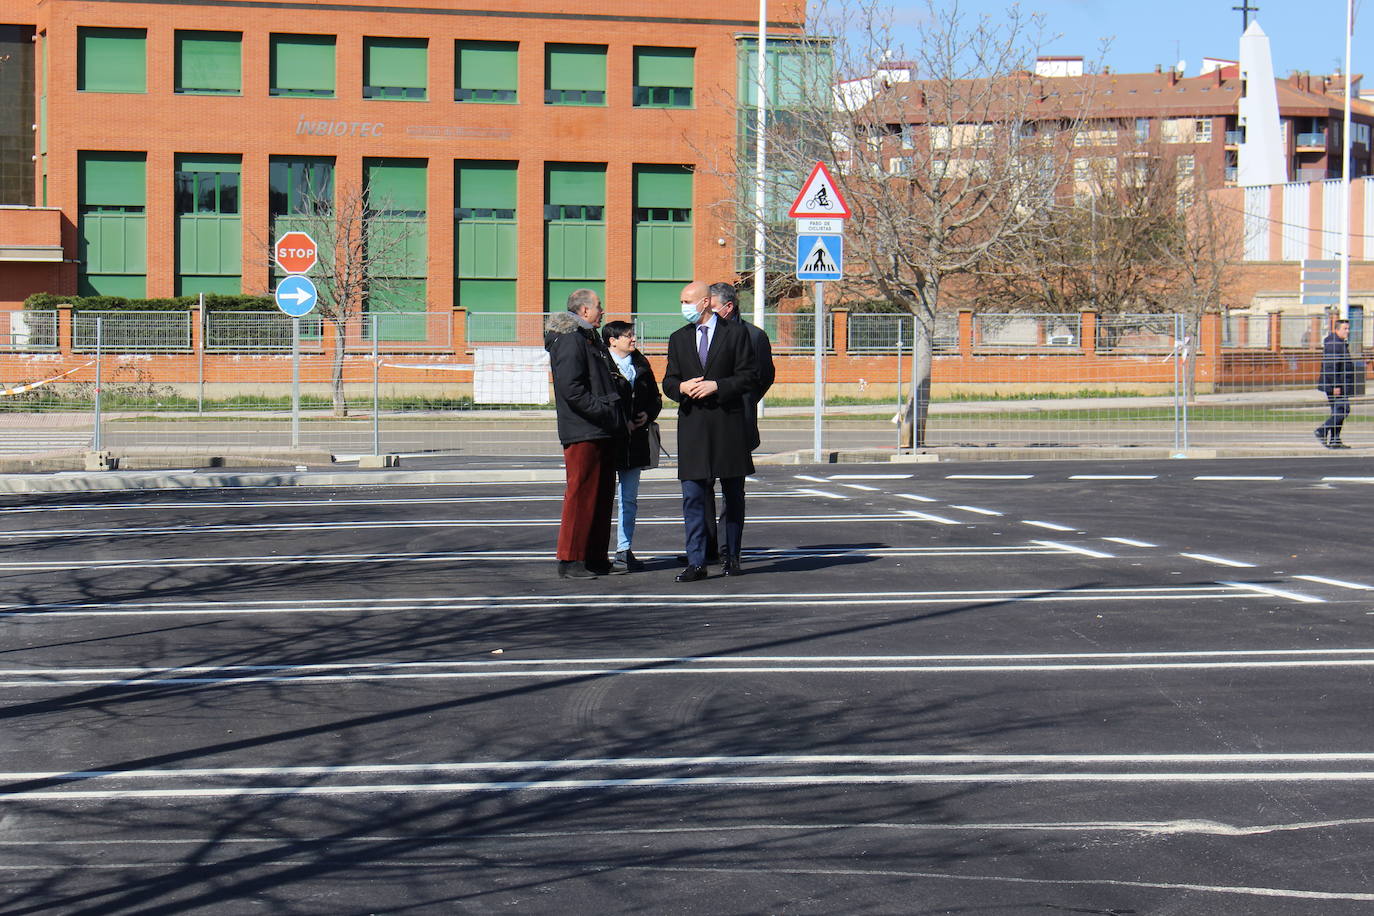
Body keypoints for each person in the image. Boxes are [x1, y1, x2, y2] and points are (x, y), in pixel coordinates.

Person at [662, 280, 757, 581]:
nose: (683, 307)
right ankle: (697, 561)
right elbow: (668, 381)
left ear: (705, 302)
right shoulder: (679, 338)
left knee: (732, 494)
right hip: (693, 428)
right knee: (693, 495)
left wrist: (718, 385)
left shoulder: (737, 333)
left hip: (727, 424)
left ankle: (732, 557)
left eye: (688, 301)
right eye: (681, 301)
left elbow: (749, 377)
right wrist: (681, 387)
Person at [545, 288, 628, 578]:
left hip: (600, 429)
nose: (602, 311)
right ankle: (571, 559)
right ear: (583, 311)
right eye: (598, 306)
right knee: (581, 494)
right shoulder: (570, 340)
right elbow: (572, 390)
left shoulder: (587, 338)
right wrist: (605, 412)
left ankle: (594, 556)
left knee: (601, 494)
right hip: (584, 429)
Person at [602, 320, 662, 572]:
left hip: (635, 442)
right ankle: (595, 550)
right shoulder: (600, 364)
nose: (632, 339)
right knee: (602, 499)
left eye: (632, 334)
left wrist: (647, 414)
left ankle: (624, 549)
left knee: (629, 499)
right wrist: (618, 422)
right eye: (627, 335)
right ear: (612, 340)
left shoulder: (641, 364)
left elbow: (655, 399)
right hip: (608, 441)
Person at [1316, 318, 1358, 449]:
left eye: (1348, 328)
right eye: (1345, 329)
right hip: (1336, 385)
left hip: (1341, 384)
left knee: (1338, 411)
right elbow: (1330, 367)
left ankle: (1335, 440)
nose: (1348, 331)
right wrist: (1335, 385)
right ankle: (1322, 430)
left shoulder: (1339, 342)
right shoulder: (1334, 344)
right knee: (1343, 409)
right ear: (1337, 329)